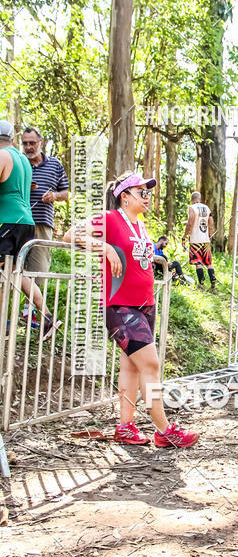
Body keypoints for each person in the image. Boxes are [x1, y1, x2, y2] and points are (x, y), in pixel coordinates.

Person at [63, 171, 199, 448]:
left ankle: (125, 427)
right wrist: (104, 248)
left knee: (132, 368)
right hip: (121, 306)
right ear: (124, 197)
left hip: (144, 305)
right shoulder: (111, 218)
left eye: (149, 192)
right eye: (142, 192)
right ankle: (165, 431)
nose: (148, 197)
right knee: (151, 364)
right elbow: (69, 235)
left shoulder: (140, 225)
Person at [0, 120, 60, 339]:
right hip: (26, 222)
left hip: (8, 221)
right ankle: (46, 317)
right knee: (15, 271)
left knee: (6, 271)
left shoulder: (3, 156)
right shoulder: (23, 160)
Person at [21, 126, 69, 275]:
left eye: (32, 143)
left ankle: (34, 299)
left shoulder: (55, 165)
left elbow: (66, 194)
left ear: (41, 143)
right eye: (25, 143)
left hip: (42, 225)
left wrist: (54, 196)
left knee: (39, 272)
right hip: (18, 223)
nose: (28, 147)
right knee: (13, 271)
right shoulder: (19, 163)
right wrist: (23, 188)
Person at [182, 192, 217, 290]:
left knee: (198, 263)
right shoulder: (206, 208)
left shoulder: (192, 208)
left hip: (195, 239)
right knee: (209, 262)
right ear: (200, 199)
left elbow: (190, 222)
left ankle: (201, 284)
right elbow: (211, 222)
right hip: (205, 239)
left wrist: (184, 236)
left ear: (192, 199)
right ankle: (213, 284)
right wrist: (209, 234)